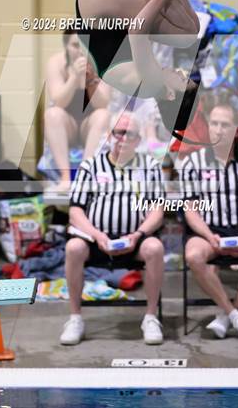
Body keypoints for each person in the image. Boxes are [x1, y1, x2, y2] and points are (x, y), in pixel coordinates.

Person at [74, 0, 201, 139]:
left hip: (96, 2)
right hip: (98, 0)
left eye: (183, 80)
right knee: (190, 27)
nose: (181, 72)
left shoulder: (153, 85)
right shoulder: (150, 84)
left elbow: (137, 31)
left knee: (186, 34)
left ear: (171, 95)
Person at [60, 112, 165, 346]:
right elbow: (75, 211)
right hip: (95, 240)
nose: (123, 138)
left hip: (135, 240)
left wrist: (137, 234)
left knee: (155, 247)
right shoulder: (90, 166)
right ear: (109, 136)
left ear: (138, 140)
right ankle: (75, 318)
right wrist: (97, 235)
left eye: (130, 134)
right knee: (73, 247)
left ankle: (150, 317)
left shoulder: (150, 166)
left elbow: (157, 211)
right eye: (119, 132)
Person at [180, 102, 238, 341]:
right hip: (207, 231)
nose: (219, 129)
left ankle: (227, 314)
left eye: (225, 124)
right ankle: (236, 315)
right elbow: (191, 210)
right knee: (193, 255)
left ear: (235, 130)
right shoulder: (193, 163)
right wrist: (208, 236)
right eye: (214, 123)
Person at [44, 32, 111, 192]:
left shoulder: (101, 62)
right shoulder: (56, 63)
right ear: (66, 46)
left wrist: (90, 81)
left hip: (90, 125)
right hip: (69, 126)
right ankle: (66, 178)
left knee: (103, 115)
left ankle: (84, 176)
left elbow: (103, 103)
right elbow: (59, 101)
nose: (81, 51)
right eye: (75, 45)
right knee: (52, 114)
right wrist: (74, 77)